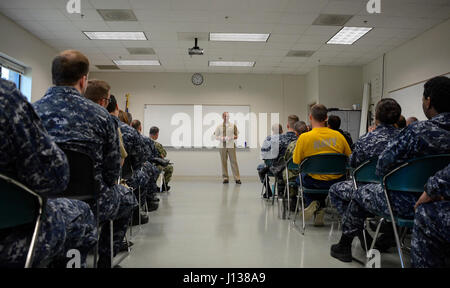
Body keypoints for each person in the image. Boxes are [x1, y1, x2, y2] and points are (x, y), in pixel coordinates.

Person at [33, 50, 137, 268]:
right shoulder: (102, 117)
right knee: (128, 197)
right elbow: (111, 174)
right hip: (92, 201)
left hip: (42, 202)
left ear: (54, 77)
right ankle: (105, 260)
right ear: (83, 80)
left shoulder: (31, 111)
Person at [331, 76, 450, 263]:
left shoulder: (417, 132)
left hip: (407, 202)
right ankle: (386, 235)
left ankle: (346, 244)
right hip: (442, 204)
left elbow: (382, 167)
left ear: (428, 101)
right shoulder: (405, 131)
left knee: (359, 193)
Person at [0, 79, 97, 268]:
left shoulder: (38, 107)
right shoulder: (6, 97)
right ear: (83, 80)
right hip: (11, 236)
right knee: (82, 213)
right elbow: (54, 178)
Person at [328, 99, 401, 249]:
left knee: (335, 190)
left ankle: (359, 233)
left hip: (368, 188)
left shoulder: (366, 139)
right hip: (399, 191)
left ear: (376, 117)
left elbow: (353, 164)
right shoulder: (407, 138)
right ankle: (390, 236)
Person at [293, 104, 351, 226]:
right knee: (323, 180)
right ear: (326, 118)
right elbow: (349, 158)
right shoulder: (339, 136)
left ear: (310, 117)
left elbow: (296, 161)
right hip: (336, 182)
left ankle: (313, 203)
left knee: (300, 178)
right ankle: (320, 207)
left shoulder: (304, 138)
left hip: (312, 181)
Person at [412, 164, 450, 268]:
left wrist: (430, 189)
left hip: (405, 200)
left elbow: (383, 164)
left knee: (425, 212)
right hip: (437, 194)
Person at [280, 121, 309, 211]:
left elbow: (287, 160)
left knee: (287, 172)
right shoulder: (313, 143)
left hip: (296, 174)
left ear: (295, 133)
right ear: (307, 130)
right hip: (311, 174)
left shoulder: (292, 145)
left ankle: (293, 198)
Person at [257, 123, 283, 198]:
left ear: (272, 130)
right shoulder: (286, 139)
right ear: (282, 130)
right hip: (285, 169)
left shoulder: (268, 139)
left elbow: (263, 155)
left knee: (260, 168)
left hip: (271, 168)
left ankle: (268, 190)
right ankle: (282, 191)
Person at [214, 112, 241, 184]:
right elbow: (215, 136)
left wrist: (231, 137)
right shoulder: (219, 126)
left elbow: (236, 136)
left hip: (231, 145)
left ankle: (237, 178)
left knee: (234, 162)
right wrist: (221, 138)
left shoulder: (233, 125)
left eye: (228, 116)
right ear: (222, 117)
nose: (226, 117)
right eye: (225, 116)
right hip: (222, 146)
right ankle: (225, 178)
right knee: (224, 162)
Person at [148, 126, 174, 191]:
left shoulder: (144, 141)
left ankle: (153, 186)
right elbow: (164, 154)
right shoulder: (157, 144)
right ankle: (164, 186)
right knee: (170, 168)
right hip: (155, 165)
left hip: (145, 165)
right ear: (157, 134)